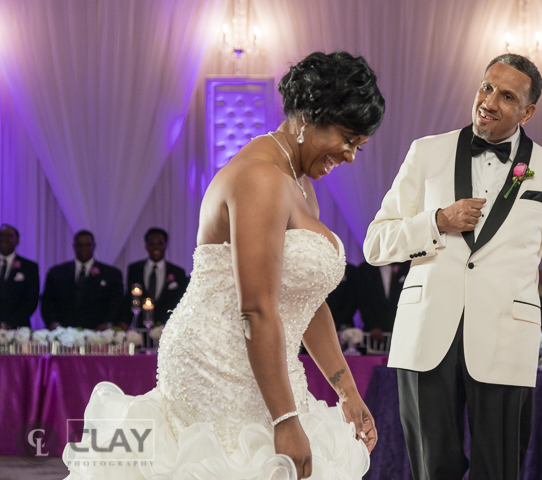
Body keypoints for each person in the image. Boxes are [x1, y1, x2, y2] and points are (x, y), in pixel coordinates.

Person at [64, 51, 385, 480]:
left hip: (266, 356)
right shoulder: (260, 178)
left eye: (358, 147)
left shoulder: (300, 184)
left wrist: (346, 389)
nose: (349, 156)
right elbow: (255, 307)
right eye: (347, 139)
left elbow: (305, 300)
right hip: (218, 360)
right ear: (310, 116)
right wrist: (284, 418)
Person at [364, 53, 542, 480]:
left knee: (500, 471)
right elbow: (375, 244)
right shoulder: (426, 152)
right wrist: (437, 222)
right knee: (433, 472)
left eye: (506, 96)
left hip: (506, 344)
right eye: (486, 87)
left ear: (527, 112)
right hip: (425, 340)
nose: (488, 101)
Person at [41, 230, 123, 330]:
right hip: (64, 332)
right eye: (79, 245)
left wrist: (108, 323)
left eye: (87, 245)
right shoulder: (57, 272)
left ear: (94, 246)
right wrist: (53, 323)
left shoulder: (111, 274)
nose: (83, 248)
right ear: (74, 246)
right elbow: (47, 302)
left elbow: (116, 302)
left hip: (98, 333)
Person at [125, 228, 188, 326]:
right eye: (152, 244)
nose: (156, 247)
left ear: (165, 245)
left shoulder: (177, 272)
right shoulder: (134, 269)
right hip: (140, 327)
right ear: (146, 246)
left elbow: (181, 301)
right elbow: (129, 298)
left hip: (168, 326)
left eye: (159, 243)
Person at [356, 261, 410, 342]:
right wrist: (372, 326)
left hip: (402, 329)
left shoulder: (406, 266)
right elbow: (362, 300)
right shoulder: (365, 269)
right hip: (373, 333)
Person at [0, 224, 40, 329]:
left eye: (8, 236)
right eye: (1, 235)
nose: (4, 239)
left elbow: (31, 300)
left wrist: (11, 324)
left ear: (17, 241)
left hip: (18, 328)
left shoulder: (29, 267)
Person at [326, 262, 359, 331]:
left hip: (345, 324)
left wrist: (337, 321)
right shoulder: (316, 269)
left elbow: (353, 299)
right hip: (319, 320)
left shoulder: (350, 270)